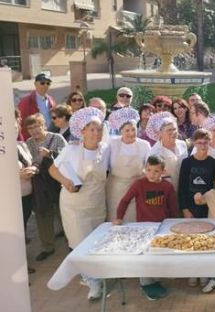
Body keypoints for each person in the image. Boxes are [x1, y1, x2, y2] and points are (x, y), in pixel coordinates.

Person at [49, 107, 108, 300]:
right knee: (81, 243)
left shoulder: (106, 149)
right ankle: (92, 283)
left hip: (97, 203)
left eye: (99, 129)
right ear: (82, 131)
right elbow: (52, 169)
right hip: (74, 204)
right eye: (91, 129)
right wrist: (64, 181)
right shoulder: (71, 149)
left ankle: (97, 274)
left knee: (97, 242)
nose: (96, 133)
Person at [113, 155, 177, 301]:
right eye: (148, 170)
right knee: (144, 254)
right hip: (143, 226)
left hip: (162, 226)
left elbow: (173, 207)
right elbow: (125, 201)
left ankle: (155, 279)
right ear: (145, 169)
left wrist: (173, 222)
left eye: (156, 171)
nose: (151, 174)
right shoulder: (139, 184)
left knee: (158, 253)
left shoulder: (167, 186)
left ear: (163, 171)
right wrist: (118, 217)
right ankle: (146, 284)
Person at [24, 113, 66, 261]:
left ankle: (71, 243)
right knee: (43, 214)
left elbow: (67, 158)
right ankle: (48, 246)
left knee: (63, 213)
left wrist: (51, 155)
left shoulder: (56, 138)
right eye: (30, 128)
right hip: (40, 184)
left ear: (44, 125)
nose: (34, 131)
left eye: (37, 126)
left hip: (58, 181)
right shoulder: (28, 143)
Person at [105, 108, 151, 223]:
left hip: (137, 188)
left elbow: (149, 166)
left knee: (135, 220)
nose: (131, 133)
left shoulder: (144, 145)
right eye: (127, 130)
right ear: (120, 131)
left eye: (133, 129)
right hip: (115, 189)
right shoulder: (112, 144)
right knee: (116, 218)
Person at [179, 128, 215, 219]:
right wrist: (185, 210)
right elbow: (182, 187)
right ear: (194, 143)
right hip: (190, 207)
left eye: (205, 143)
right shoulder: (187, 163)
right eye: (199, 143)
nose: (203, 146)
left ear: (209, 142)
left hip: (209, 207)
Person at [16, 110, 36, 273]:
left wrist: (34, 169)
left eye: (16, 127)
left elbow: (33, 162)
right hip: (11, 199)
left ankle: (22, 263)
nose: (15, 130)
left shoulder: (21, 145)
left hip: (27, 196)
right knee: (15, 233)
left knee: (22, 231)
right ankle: (17, 267)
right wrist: (17, 175)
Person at [148, 112, 188, 193]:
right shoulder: (155, 152)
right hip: (163, 191)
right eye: (169, 130)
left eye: (174, 129)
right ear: (160, 133)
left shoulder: (182, 144)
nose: (173, 132)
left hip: (183, 188)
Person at [18, 73, 56, 139]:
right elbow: (20, 123)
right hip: (32, 139)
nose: (45, 85)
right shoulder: (25, 101)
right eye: (42, 83)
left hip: (48, 137)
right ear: (35, 84)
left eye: (48, 83)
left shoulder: (51, 100)